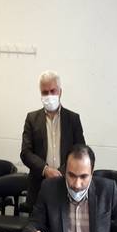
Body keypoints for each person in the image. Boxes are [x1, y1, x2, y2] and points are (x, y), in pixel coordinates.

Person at [20, 70, 86, 207]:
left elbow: (80, 152)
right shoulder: (32, 119)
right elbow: (26, 153)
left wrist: (61, 172)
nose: (49, 95)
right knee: (38, 221)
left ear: (60, 92)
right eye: (45, 92)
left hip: (67, 184)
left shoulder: (73, 119)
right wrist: (45, 170)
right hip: (38, 186)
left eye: (52, 91)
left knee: (65, 221)